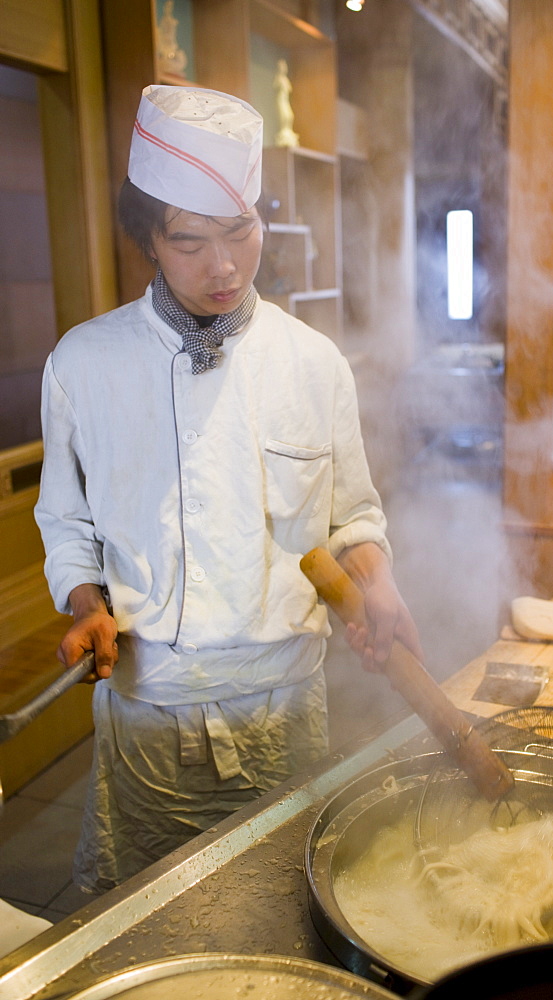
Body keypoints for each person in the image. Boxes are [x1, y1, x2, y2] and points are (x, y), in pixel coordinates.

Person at [34, 85, 422, 894]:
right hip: (148, 708)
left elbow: (352, 510)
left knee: (286, 906)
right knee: (144, 920)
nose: (223, 265)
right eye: (190, 241)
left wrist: (376, 573)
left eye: (241, 231)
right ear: (147, 237)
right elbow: (65, 518)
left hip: (286, 707)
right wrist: (84, 602)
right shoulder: (83, 364)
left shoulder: (313, 362)